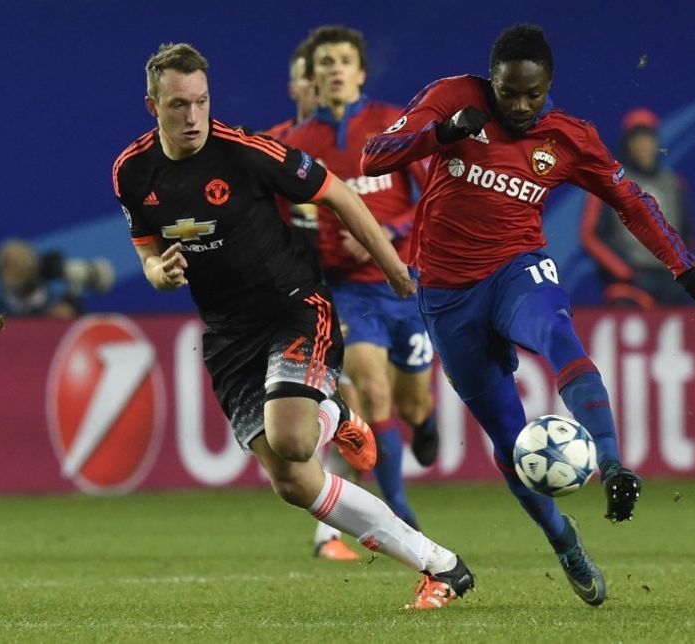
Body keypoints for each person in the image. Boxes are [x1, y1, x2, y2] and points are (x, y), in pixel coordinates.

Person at [362, 24, 695, 607]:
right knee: (513, 447)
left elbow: (631, 201)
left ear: (548, 88)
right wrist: (439, 134)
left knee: (557, 332)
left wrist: (685, 271)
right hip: (445, 294)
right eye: (507, 93)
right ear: (491, 80)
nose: (518, 106)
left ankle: (613, 463)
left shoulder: (568, 137)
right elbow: (375, 154)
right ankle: (564, 541)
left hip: (518, 269)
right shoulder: (451, 97)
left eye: (531, 95)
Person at [113, 42, 474, 609]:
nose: (192, 117)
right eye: (178, 105)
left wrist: (395, 270)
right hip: (228, 335)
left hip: (293, 308)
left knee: (293, 439)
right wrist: (160, 272)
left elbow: (339, 195)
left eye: (201, 102)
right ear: (151, 105)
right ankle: (441, 567)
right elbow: (147, 253)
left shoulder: (247, 153)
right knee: (293, 482)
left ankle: (333, 412)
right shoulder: (132, 172)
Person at [283, 25, 440, 558]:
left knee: (413, 402)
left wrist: (386, 234)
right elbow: (282, 218)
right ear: (313, 74)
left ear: (360, 72)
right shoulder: (297, 145)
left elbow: (432, 199)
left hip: (402, 283)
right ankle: (399, 507)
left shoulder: (392, 127)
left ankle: (424, 421)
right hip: (347, 293)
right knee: (372, 394)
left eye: (343, 60)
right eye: (324, 61)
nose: (333, 69)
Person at [580, 108, 695, 308]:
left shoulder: (675, 185)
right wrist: (624, 272)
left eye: (648, 139)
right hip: (629, 283)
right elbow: (590, 236)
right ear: (627, 144)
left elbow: (690, 235)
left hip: (669, 282)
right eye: (637, 140)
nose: (643, 146)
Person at [261, 41, 321, 245]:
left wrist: (389, 230)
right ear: (292, 89)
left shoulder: (367, 144)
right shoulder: (269, 143)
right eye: (308, 77)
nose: (316, 84)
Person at [0, 238, 114, 319]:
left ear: (35, 265)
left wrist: (70, 319)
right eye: (10, 264)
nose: (19, 270)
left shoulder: (62, 309)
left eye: (23, 262)